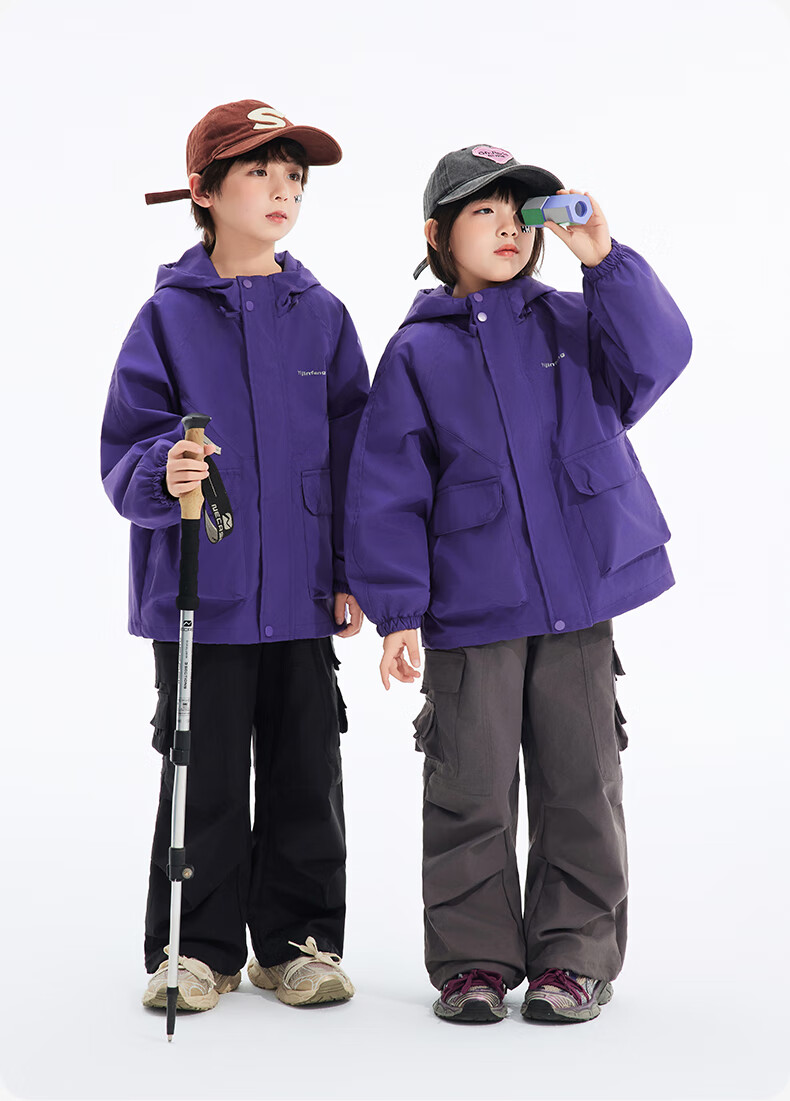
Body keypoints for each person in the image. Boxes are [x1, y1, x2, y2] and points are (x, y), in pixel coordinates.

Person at [343, 144, 692, 1024]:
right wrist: (397, 611)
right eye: (483, 212)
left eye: (520, 212)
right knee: (469, 787)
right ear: (436, 236)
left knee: (582, 781)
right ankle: (474, 960)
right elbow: (387, 488)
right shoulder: (418, 352)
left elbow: (658, 358)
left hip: (578, 601)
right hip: (472, 608)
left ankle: (575, 958)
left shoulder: (573, 320)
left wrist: (604, 260)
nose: (508, 227)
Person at [100, 99, 369, 1014]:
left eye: (294, 176)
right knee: (201, 769)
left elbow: (356, 453)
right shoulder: (166, 319)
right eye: (259, 172)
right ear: (205, 191)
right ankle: (193, 947)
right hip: (202, 594)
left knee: (305, 771)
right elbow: (127, 447)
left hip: (300, 594)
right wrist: (163, 468)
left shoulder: (323, 316)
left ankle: (298, 945)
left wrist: (349, 570)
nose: (283, 189)